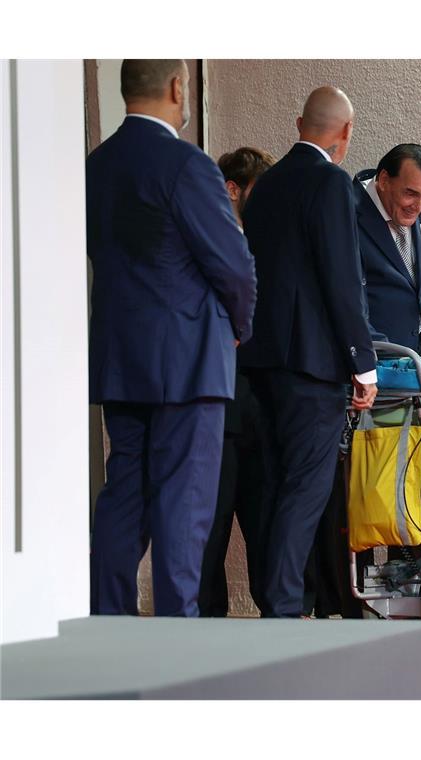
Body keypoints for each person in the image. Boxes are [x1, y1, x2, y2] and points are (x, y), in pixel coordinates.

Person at [88, 60, 257, 616]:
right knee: (184, 510)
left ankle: (108, 622)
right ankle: (175, 642)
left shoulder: (97, 165)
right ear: (178, 87)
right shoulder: (187, 165)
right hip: (188, 362)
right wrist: (238, 327)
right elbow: (234, 267)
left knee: (124, 498)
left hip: (122, 358)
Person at [237, 86, 378, 618]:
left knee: (276, 482)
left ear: (300, 123)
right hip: (315, 366)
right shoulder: (331, 183)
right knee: (304, 489)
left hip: (262, 361)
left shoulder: (267, 184)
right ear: (345, 133)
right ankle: (281, 605)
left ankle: (275, 600)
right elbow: (342, 280)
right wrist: (363, 365)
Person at [198, 146, 275, 617]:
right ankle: (208, 619)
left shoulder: (265, 240)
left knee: (264, 514)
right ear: (233, 189)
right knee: (211, 520)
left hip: (259, 398)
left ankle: (277, 610)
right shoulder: (206, 240)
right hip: (218, 398)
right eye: (257, 191)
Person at [353, 143, 421, 359]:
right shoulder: (347, 213)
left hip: (418, 357)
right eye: (411, 194)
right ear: (385, 180)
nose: (419, 206)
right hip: (374, 360)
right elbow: (345, 300)